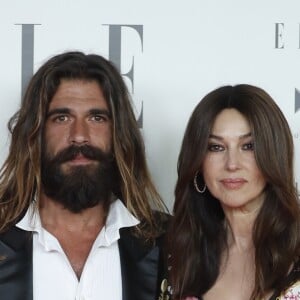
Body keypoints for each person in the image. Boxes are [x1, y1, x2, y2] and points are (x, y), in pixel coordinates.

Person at [0, 51, 168, 300]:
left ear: (118, 133)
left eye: (97, 117)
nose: (79, 135)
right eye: (62, 117)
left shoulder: (169, 242)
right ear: (35, 133)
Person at [168, 84, 300, 300]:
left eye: (248, 146)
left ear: (273, 154)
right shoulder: (181, 252)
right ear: (198, 162)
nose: (232, 164)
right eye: (216, 147)